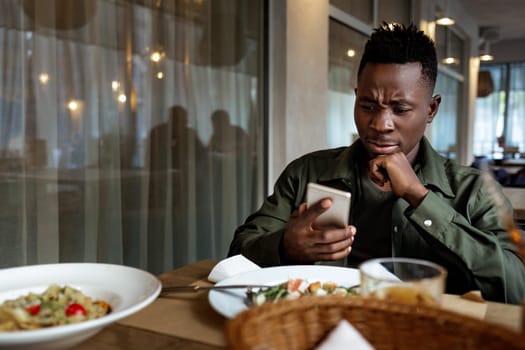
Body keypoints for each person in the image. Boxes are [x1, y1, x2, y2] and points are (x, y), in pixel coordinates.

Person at [227, 23, 525, 304]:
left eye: (400, 108)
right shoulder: (307, 173)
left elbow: (516, 287)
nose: (381, 124)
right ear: (356, 98)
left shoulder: (474, 190)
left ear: (431, 109)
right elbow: (237, 255)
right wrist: (284, 247)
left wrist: (420, 197)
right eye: (368, 106)